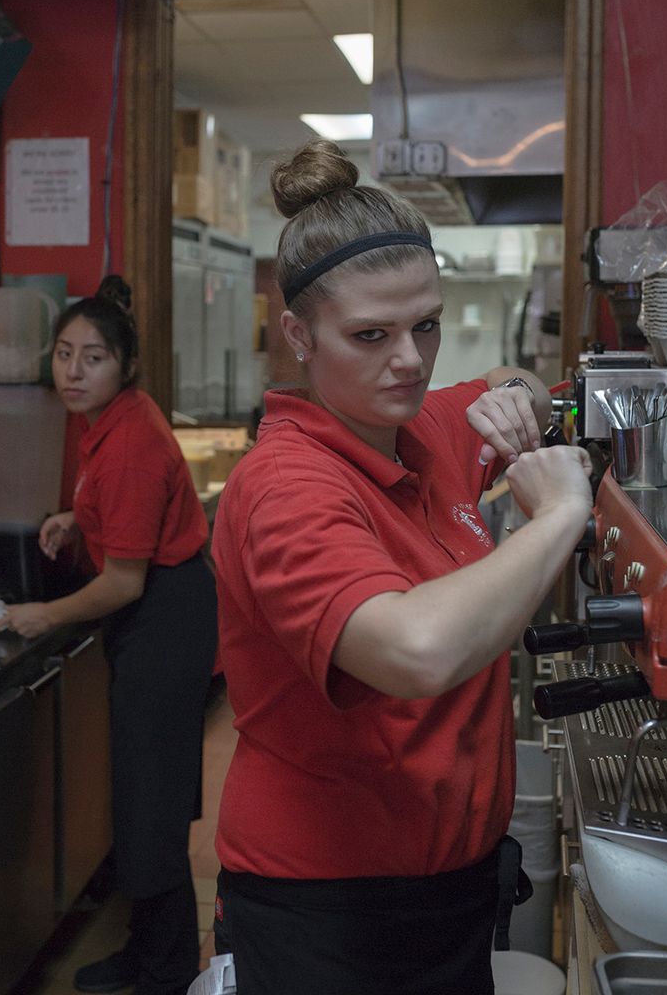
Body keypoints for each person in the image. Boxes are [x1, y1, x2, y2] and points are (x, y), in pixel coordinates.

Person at [209, 138, 593, 995]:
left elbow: (517, 379)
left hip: (445, 885)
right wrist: (559, 513)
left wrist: (521, 398)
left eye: (427, 325)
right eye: (371, 335)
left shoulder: (425, 428)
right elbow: (413, 651)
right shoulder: (285, 487)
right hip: (331, 910)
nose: (412, 361)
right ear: (299, 336)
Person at [0, 276, 218, 995]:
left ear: (124, 365)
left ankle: (161, 972)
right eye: (63, 354)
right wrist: (77, 519)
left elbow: (123, 582)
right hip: (162, 611)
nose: (72, 371)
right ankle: (149, 950)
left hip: (162, 618)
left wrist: (43, 616)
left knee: (150, 804)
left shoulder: (128, 444)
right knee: (145, 798)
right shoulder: (116, 420)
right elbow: (118, 516)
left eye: (92, 357)